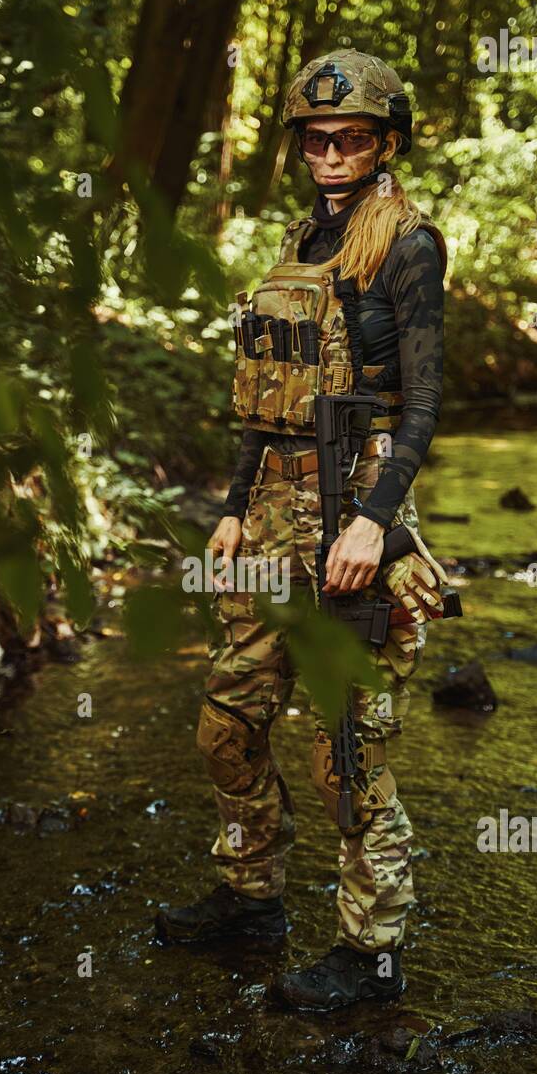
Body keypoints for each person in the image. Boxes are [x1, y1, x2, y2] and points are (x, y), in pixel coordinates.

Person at [156, 51, 450, 1011]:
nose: (329, 153)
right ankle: (251, 895)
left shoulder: (407, 244)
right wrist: (233, 505)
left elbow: (422, 405)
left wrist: (373, 523)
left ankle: (372, 952)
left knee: (343, 748)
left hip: (355, 509)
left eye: (350, 139)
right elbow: (265, 400)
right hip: (272, 507)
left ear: (385, 144)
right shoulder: (299, 239)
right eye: (315, 139)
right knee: (227, 720)